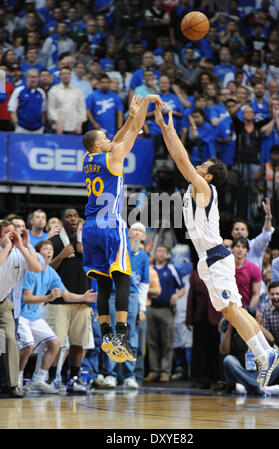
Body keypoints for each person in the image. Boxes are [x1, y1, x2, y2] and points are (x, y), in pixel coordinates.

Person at [153, 105, 279, 390]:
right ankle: (265, 350)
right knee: (232, 310)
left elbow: (180, 158)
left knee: (232, 312)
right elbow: (183, 161)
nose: (197, 166)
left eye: (202, 168)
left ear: (208, 177)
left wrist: (167, 128)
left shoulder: (203, 188)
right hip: (209, 259)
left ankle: (265, 355)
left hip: (214, 256)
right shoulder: (197, 188)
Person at [81, 94, 165, 364]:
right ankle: (122, 333)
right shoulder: (113, 158)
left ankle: (105, 333)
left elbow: (116, 139)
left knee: (103, 282)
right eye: (104, 138)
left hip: (90, 226)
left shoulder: (87, 158)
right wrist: (143, 109)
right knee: (123, 278)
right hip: (110, 225)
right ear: (98, 144)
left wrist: (128, 117)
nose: (110, 140)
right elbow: (125, 140)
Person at [18, 239, 96, 394]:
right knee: (28, 346)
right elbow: (26, 298)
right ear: (37, 253)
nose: (49, 252)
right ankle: (18, 380)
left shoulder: (51, 273)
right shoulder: (31, 271)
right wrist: (47, 298)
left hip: (35, 317)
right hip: (22, 315)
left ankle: (39, 381)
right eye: (45, 249)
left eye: (51, 250)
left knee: (55, 343)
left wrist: (83, 298)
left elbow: (66, 295)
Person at [44, 208, 93, 394]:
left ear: (79, 220)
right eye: (68, 216)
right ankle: (49, 379)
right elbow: (45, 271)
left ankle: (73, 378)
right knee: (56, 343)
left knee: (78, 343)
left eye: (75, 216)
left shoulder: (86, 243)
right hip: (58, 301)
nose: (72, 219)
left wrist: (86, 252)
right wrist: (61, 255)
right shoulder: (54, 242)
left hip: (82, 299)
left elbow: (99, 265)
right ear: (62, 221)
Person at [102, 222, 149, 389]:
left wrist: (142, 308)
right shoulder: (119, 251)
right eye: (134, 230)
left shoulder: (143, 256)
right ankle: (111, 374)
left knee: (132, 335)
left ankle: (130, 375)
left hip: (133, 297)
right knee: (114, 334)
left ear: (144, 236)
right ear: (128, 234)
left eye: (140, 231)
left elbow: (144, 283)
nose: (137, 233)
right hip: (114, 295)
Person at [0, 220, 42, 398]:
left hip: (3, 303)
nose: (12, 235)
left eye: (13, 232)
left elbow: (37, 268)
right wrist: (7, 248)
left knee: (10, 339)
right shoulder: (5, 251)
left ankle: (13, 384)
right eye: (7, 232)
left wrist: (23, 246)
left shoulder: (17, 253)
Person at [220, 306, 279, 396]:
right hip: (242, 371)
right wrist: (230, 328)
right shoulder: (235, 332)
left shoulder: (258, 331)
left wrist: (255, 324)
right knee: (228, 359)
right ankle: (259, 388)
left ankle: (248, 387)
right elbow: (223, 351)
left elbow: (271, 340)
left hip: (261, 373)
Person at [144, 244, 185, 383]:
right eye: (158, 251)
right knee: (152, 341)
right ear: (154, 254)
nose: (160, 253)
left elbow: (182, 288)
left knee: (167, 341)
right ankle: (154, 371)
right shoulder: (149, 269)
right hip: (150, 308)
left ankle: (165, 372)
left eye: (163, 251)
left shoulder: (172, 269)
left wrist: (175, 297)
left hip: (166, 309)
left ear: (167, 254)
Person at [186, 269, 222, 389]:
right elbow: (191, 297)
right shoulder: (196, 273)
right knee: (199, 351)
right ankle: (199, 380)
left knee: (216, 351)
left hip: (217, 317)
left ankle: (216, 379)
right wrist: (189, 318)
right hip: (200, 317)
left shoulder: (221, 271)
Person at [47, 66, 87, 135]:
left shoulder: (77, 91)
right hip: (58, 128)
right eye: (63, 74)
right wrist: (57, 124)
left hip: (74, 128)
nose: (65, 76)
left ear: (70, 75)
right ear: (60, 76)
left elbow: (81, 109)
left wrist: (79, 125)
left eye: (67, 74)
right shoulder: (53, 90)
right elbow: (51, 109)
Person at [86, 73, 124, 141]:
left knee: (109, 150)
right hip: (95, 129)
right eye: (103, 82)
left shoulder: (115, 96)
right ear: (99, 84)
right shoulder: (92, 95)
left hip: (111, 129)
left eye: (107, 82)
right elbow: (87, 110)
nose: (105, 84)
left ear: (110, 84)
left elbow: (120, 112)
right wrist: (94, 123)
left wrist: (119, 128)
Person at [8, 68, 47, 133]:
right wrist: (17, 124)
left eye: (36, 77)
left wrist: (42, 124)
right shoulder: (18, 91)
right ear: (26, 78)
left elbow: (43, 111)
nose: (34, 79)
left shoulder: (41, 92)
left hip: (38, 129)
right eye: (31, 77)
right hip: (22, 128)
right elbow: (12, 110)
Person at [231, 236, 262, 308]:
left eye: (243, 247)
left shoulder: (254, 268)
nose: (240, 249)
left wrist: (249, 310)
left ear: (247, 250)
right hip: (229, 309)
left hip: (247, 307)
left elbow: (256, 293)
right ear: (232, 248)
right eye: (238, 246)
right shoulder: (225, 268)